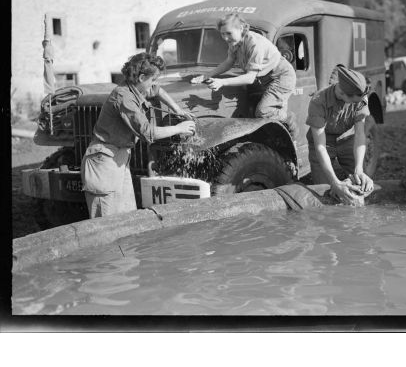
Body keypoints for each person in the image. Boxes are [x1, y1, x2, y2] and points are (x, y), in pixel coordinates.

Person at [81, 53, 196, 218]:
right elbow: (148, 133)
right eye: (153, 79)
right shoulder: (124, 97)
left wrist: (176, 109)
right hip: (104, 162)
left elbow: (158, 91)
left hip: (120, 158)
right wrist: (179, 128)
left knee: (129, 218)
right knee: (106, 222)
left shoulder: (135, 88)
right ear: (142, 77)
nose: (154, 84)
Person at [191, 14, 296, 121]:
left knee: (263, 112)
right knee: (261, 112)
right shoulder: (235, 42)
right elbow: (228, 62)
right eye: (222, 34)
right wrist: (207, 75)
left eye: (228, 33)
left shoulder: (254, 43)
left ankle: (288, 119)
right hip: (265, 79)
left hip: (281, 76)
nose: (225, 38)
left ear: (241, 28)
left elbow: (250, 78)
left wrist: (222, 82)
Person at [306, 64, 375, 206]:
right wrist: (334, 182)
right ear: (343, 94)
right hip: (324, 143)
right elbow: (320, 146)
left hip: (348, 139)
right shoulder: (318, 101)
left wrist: (359, 169)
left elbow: (360, 135)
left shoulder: (360, 99)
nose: (358, 103)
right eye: (354, 101)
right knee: (323, 190)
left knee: (361, 183)